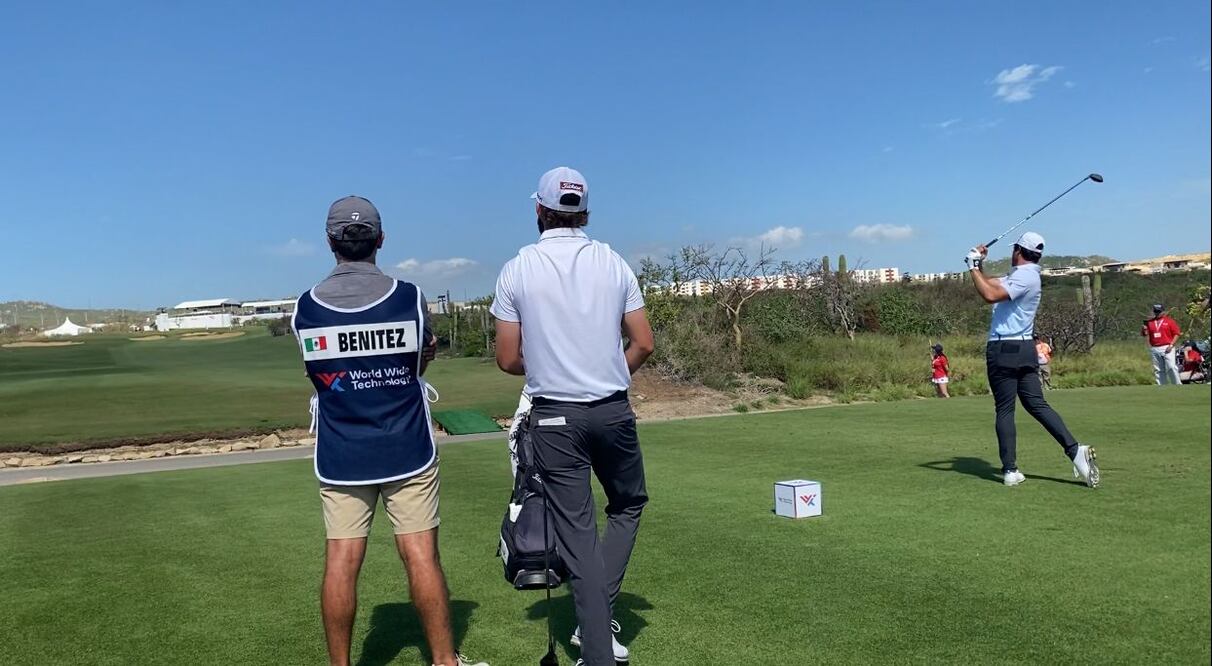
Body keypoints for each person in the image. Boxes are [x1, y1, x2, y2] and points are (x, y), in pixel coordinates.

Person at [292, 196, 486, 666]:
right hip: (406, 447)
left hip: (342, 452)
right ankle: (444, 661)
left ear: (330, 242)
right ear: (380, 240)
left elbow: (317, 373)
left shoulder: (305, 308)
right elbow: (418, 360)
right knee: (421, 556)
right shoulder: (409, 297)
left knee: (342, 561)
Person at [491, 166, 655, 666]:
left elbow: (507, 358)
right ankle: (596, 626)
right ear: (583, 210)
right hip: (611, 411)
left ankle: (597, 648)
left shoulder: (517, 268)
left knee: (578, 535)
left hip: (555, 417)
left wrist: (551, 367)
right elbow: (643, 342)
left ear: (539, 210)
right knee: (628, 504)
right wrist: (610, 371)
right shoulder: (613, 262)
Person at [965, 232, 1100, 488]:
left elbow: (989, 295)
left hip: (1004, 348)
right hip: (1025, 348)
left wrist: (972, 266)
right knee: (1036, 404)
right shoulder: (1025, 276)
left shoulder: (1024, 276)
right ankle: (1074, 450)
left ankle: (1010, 470)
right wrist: (979, 264)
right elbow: (991, 284)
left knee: (1005, 409)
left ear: (1018, 251)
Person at [1140, 304, 1182, 385]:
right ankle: (1162, 386)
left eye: (1159, 311)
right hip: (1155, 347)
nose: (1157, 313)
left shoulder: (1169, 321)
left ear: (1163, 311)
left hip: (1167, 346)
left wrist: (1171, 345)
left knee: (1171, 367)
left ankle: (1177, 385)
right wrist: (1143, 329)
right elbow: (1144, 334)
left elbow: (1177, 333)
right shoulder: (1150, 322)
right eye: (1155, 311)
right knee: (1158, 369)